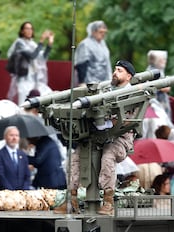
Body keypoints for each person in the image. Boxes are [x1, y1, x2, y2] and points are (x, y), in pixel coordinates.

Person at [54, 60, 136, 215]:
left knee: (108, 156)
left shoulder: (133, 94)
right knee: (74, 160)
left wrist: (106, 122)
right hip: (97, 137)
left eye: (119, 70)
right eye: (115, 69)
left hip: (120, 139)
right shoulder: (106, 90)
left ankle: (108, 201)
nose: (115, 72)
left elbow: (125, 121)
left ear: (128, 76)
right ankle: (71, 200)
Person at [6, 21, 54, 104]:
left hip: (34, 79)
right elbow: (32, 55)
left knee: (40, 99)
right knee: (24, 103)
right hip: (23, 79)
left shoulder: (32, 44)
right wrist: (41, 41)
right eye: (27, 28)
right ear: (22, 31)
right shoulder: (19, 43)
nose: (29, 31)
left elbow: (42, 58)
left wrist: (49, 44)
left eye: (31, 29)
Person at [75, 20, 112, 85]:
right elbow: (81, 64)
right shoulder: (85, 44)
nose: (103, 34)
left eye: (104, 32)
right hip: (90, 82)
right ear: (93, 32)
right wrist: (82, 82)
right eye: (100, 32)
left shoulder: (103, 44)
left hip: (104, 81)